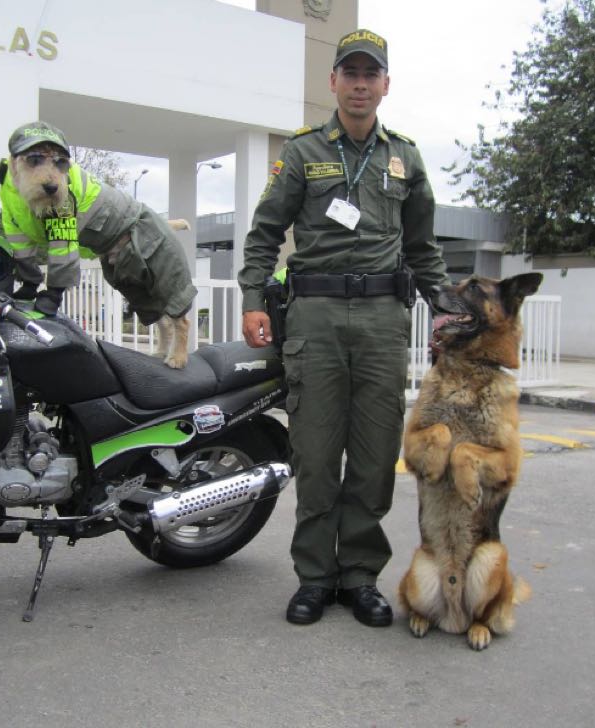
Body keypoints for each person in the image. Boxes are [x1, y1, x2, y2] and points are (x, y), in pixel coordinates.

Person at [238, 29, 449, 627]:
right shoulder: (303, 153)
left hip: (384, 321)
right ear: (333, 82)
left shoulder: (405, 157)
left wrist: (448, 309)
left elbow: (423, 249)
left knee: (375, 455)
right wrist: (254, 298)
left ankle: (359, 577)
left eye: (370, 74)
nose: (360, 84)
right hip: (316, 318)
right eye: (349, 73)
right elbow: (264, 235)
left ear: (385, 85)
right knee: (316, 452)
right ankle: (313, 578)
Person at [0, 121, 196, 367]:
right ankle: (164, 345)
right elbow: (19, 237)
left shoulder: (63, 197)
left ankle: (180, 347)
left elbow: (63, 242)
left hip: (138, 228)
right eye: (35, 159)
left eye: (59, 163)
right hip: (110, 245)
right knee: (150, 297)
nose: (51, 178)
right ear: (14, 160)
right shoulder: (8, 192)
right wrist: (29, 282)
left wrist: (53, 293)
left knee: (167, 289)